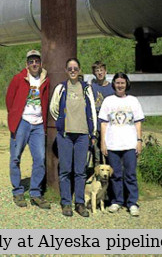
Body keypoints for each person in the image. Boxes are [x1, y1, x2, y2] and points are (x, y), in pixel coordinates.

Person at [50, 58, 97, 217]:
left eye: (75, 68)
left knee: (80, 171)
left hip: (83, 135)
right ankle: (65, 203)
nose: (72, 70)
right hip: (65, 135)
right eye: (69, 68)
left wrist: (93, 133)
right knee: (65, 170)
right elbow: (53, 108)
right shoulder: (61, 88)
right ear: (66, 70)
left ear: (79, 69)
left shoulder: (86, 89)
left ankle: (79, 203)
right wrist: (61, 122)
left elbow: (92, 111)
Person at [5, 49, 51, 209]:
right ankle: (18, 191)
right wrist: (15, 117)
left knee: (39, 159)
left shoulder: (45, 80)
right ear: (27, 64)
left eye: (36, 61)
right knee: (15, 157)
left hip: (38, 125)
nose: (34, 64)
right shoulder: (19, 79)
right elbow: (9, 99)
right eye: (31, 61)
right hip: (22, 122)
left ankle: (35, 193)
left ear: (40, 63)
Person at [98, 72, 144, 217]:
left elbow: (138, 123)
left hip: (130, 144)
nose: (120, 85)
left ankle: (132, 203)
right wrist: (103, 143)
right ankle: (116, 201)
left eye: (122, 83)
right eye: (117, 83)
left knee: (130, 174)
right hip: (113, 144)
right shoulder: (108, 101)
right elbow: (104, 124)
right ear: (114, 84)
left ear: (126, 84)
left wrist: (139, 141)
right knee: (115, 175)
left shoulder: (133, 101)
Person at [90, 61, 114, 166]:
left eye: (101, 70)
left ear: (105, 72)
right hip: (96, 125)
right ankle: (97, 179)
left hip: (108, 125)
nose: (100, 73)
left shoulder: (112, 88)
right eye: (97, 71)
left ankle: (110, 179)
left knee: (109, 154)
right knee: (96, 155)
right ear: (94, 73)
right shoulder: (91, 87)